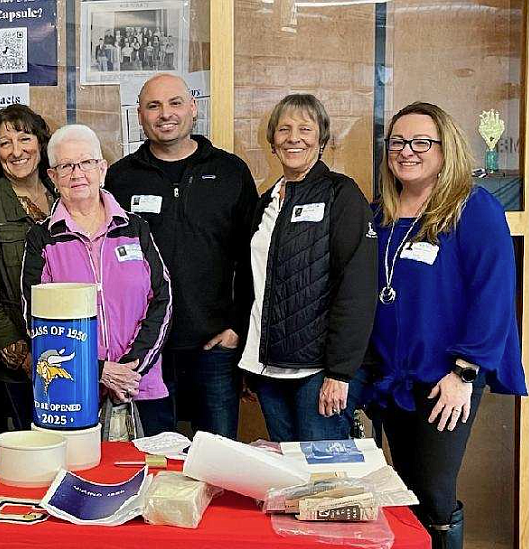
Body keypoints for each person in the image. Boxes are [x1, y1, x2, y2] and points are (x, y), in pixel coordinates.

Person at [369, 102, 525, 549]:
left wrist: (465, 373)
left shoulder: (472, 209)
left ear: (445, 149)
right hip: (396, 376)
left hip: (448, 378)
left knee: (434, 486)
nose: (406, 152)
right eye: (397, 143)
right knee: (407, 484)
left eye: (420, 142)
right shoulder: (384, 215)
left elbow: (494, 294)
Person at [106, 73, 258, 439]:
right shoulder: (120, 178)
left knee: (217, 457)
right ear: (139, 115)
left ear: (193, 108)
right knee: (153, 458)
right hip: (144, 349)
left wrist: (238, 328)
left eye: (175, 103)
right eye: (153, 106)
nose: (165, 114)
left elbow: (252, 258)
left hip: (214, 348)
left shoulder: (230, 172)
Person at [238, 94, 376, 442]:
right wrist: (250, 361)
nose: (293, 137)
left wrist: (340, 373)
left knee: (324, 481)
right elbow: (252, 285)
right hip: (270, 368)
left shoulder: (341, 195)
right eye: (284, 129)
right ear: (272, 141)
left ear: (322, 139)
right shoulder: (265, 203)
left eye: (304, 128)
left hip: (319, 372)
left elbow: (356, 289)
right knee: (289, 477)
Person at [22, 124, 173, 435]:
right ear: (53, 177)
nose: (78, 173)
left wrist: (131, 368)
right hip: (72, 391)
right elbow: (36, 320)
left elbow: (162, 299)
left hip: (139, 384)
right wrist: (101, 370)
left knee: (150, 476)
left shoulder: (135, 227)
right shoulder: (42, 238)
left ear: (102, 168)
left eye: (87, 162)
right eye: (66, 166)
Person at [0, 104, 56, 432]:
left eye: (24, 138)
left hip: (68, 347)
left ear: (40, 143)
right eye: (5, 143)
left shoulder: (64, 196)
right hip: (16, 361)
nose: (17, 151)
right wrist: (13, 345)